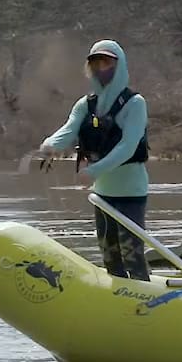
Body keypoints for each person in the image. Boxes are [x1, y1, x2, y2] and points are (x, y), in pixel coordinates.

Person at [38, 40, 151, 280]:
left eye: (108, 62)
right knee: (110, 256)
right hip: (103, 195)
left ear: (119, 65)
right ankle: (117, 298)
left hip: (131, 193)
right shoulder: (86, 104)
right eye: (97, 63)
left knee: (132, 255)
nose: (102, 68)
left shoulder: (135, 104)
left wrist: (95, 170)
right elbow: (69, 130)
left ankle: (146, 299)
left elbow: (128, 146)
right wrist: (51, 145)